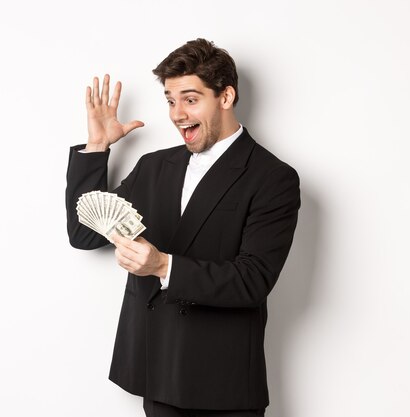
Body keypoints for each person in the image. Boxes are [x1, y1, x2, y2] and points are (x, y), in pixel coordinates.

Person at [66, 38, 300, 417]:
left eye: (190, 99)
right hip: (158, 374)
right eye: (171, 100)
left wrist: (162, 266)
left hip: (223, 384)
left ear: (225, 97)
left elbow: (253, 280)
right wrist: (96, 148)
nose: (177, 114)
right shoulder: (154, 167)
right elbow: (86, 233)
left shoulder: (272, 178)